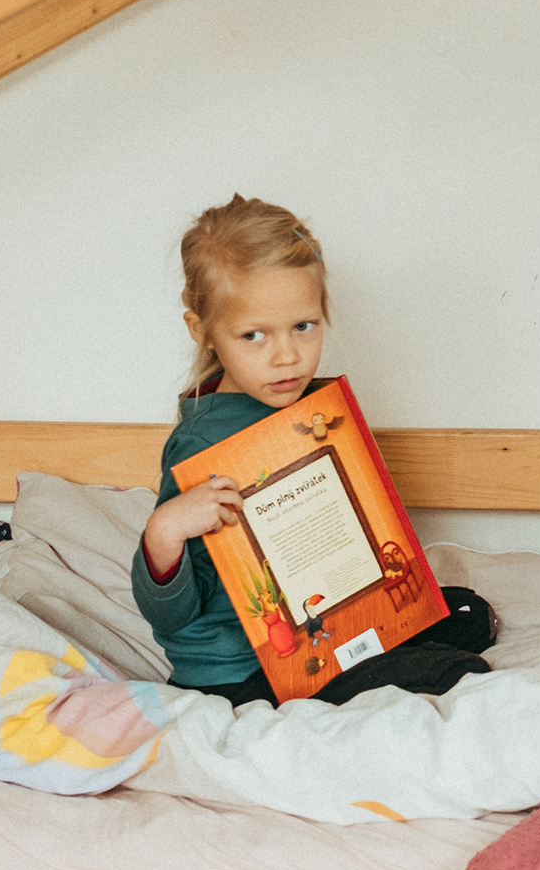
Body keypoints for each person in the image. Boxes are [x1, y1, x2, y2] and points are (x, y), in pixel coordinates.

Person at [130, 194, 495, 707]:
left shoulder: (308, 411)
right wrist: (165, 530)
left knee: (464, 614)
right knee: (455, 671)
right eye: (254, 335)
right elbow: (171, 615)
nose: (287, 356)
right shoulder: (201, 443)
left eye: (303, 326)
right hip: (240, 673)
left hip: (323, 632)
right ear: (203, 331)